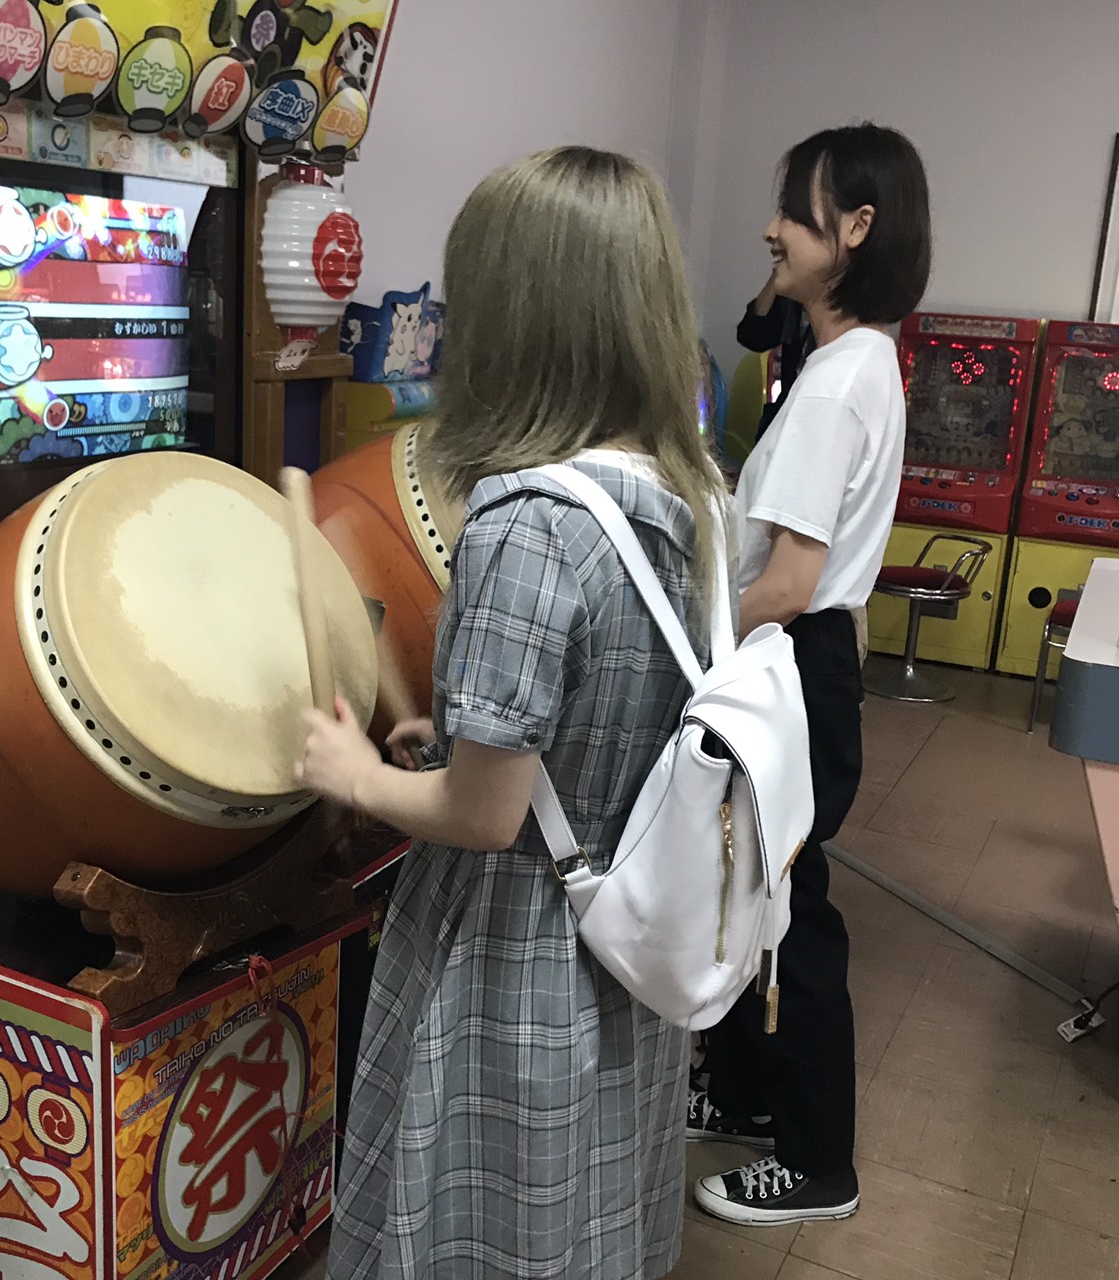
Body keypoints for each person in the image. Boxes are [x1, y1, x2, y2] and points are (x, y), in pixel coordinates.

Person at [297, 145, 729, 1280]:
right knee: (586, 1214)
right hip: (633, 933)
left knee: (475, 1222)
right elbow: (608, 724)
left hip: (518, 951)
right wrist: (456, 743)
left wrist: (352, 771)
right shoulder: (690, 494)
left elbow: (483, 816)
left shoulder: (525, 520)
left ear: (513, 317)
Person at [689, 122, 932, 1226]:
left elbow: (787, 582)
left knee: (792, 910)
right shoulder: (854, 361)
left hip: (794, 657)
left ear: (855, 228)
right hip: (804, 659)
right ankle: (745, 1093)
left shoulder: (837, 383)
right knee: (756, 888)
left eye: (794, 209)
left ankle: (816, 1159)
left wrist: (686, 635)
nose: (770, 228)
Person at [736, 275, 814, 442]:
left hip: (814, 419)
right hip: (785, 413)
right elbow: (751, 336)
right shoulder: (792, 301)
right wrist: (778, 276)